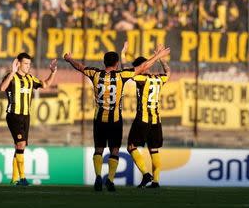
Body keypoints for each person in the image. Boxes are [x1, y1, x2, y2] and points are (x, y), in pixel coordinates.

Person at [63, 46, 170, 191]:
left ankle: (98, 176)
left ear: (104, 62)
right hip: (117, 120)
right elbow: (144, 67)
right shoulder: (122, 76)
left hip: (99, 119)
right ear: (117, 64)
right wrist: (159, 57)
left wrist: (69, 59)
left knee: (99, 149)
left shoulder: (94, 73)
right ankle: (111, 180)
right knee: (115, 150)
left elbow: (80, 67)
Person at [0, 52, 57, 186]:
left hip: (26, 116)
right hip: (13, 115)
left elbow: (46, 84)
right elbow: (2, 88)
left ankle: (14, 178)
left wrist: (53, 72)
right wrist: (13, 72)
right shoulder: (11, 77)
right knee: (21, 144)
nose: (28, 66)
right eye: (25, 63)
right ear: (18, 63)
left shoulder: (30, 79)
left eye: (29, 64)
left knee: (20, 146)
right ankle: (23, 178)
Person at [122, 43, 170, 188]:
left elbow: (125, 71)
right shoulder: (158, 79)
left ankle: (145, 174)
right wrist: (162, 59)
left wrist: (123, 54)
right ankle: (156, 181)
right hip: (156, 120)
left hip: (143, 118)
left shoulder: (141, 79)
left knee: (131, 146)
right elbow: (168, 72)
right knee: (154, 149)